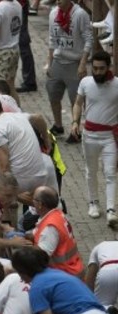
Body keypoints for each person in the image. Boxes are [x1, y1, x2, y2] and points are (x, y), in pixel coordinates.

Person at [71, 50, 118, 225]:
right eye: (95, 68)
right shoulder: (85, 83)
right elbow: (78, 103)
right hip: (89, 135)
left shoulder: (117, 85)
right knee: (91, 171)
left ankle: (111, 209)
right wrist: (75, 121)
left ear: (109, 67)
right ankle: (93, 203)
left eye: (101, 68)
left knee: (110, 173)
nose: (97, 72)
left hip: (109, 138)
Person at [0, 95, 48, 197]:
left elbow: (4, 166)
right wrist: (47, 140)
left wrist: (11, 194)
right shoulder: (18, 116)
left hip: (21, 181)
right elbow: (39, 118)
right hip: (41, 176)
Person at [46, 0, 92, 143]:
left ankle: (75, 130)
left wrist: (83, 63)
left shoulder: (80, 15)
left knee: (75, 100)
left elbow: (88, 39)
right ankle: (58, 125)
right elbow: (52, 39)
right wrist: (49, 63)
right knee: (53, 94)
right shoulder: (53, 13)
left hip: (74, 62)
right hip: (58, 61)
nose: (58, 1)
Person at [28, 185, 83, 277]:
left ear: (40, 204)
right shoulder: (57, 214)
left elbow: (41, 258)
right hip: (72, 268)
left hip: (63, 274)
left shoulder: (50, 228)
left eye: (34, 200)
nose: (32, 202)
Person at [85, 240, 118, 310]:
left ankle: (106, 309)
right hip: (109, 270)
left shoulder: (98, 247)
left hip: (108, 271)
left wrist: (90, 299)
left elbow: (90, 277)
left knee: (101, 306)